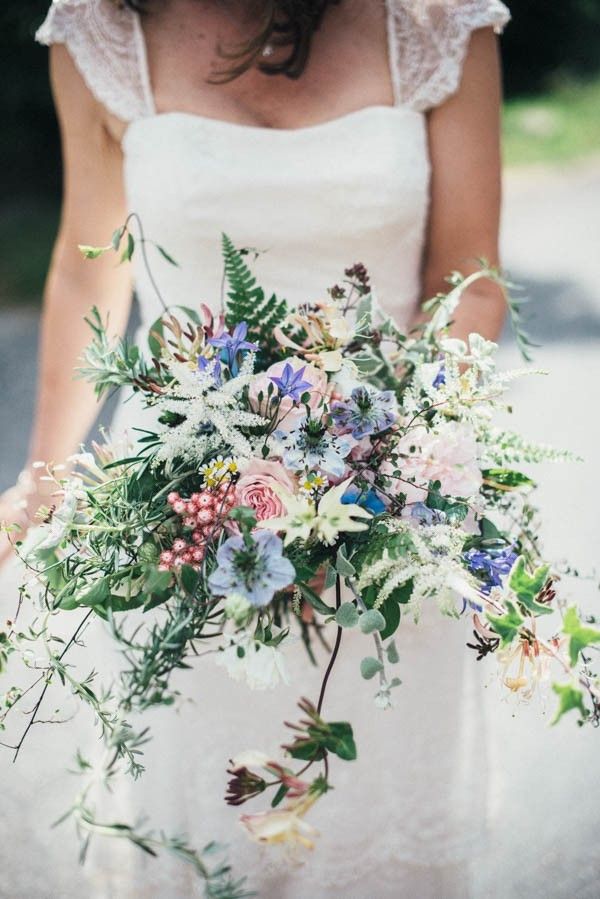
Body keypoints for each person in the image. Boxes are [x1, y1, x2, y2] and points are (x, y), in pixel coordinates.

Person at [0, 1, 514, 896]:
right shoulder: (102, 33)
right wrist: (43, 479)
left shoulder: (437, 21)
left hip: (393, 514)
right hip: (181, 525)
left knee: (376, 834)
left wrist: (381, 460)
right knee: (207, 826)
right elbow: (90, 265)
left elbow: (466, 279)